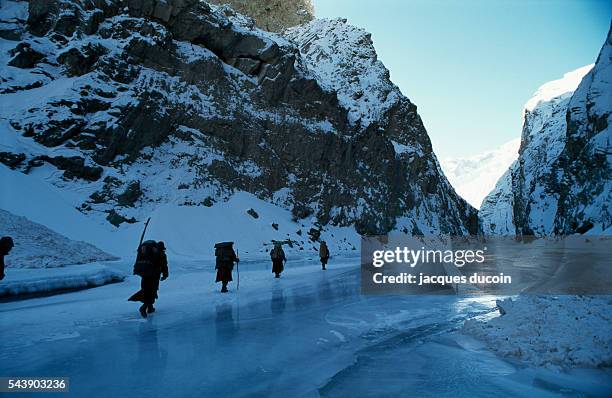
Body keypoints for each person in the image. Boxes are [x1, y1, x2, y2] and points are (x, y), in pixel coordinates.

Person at [129, 240, 169, 318]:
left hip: (144, 274)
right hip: (154, 276)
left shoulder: (147, 254)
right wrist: (165, 275)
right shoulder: (161, 254)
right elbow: (164, 266)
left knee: (146, 290)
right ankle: (143, 308)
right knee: (152, 291)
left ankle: (150, 308)